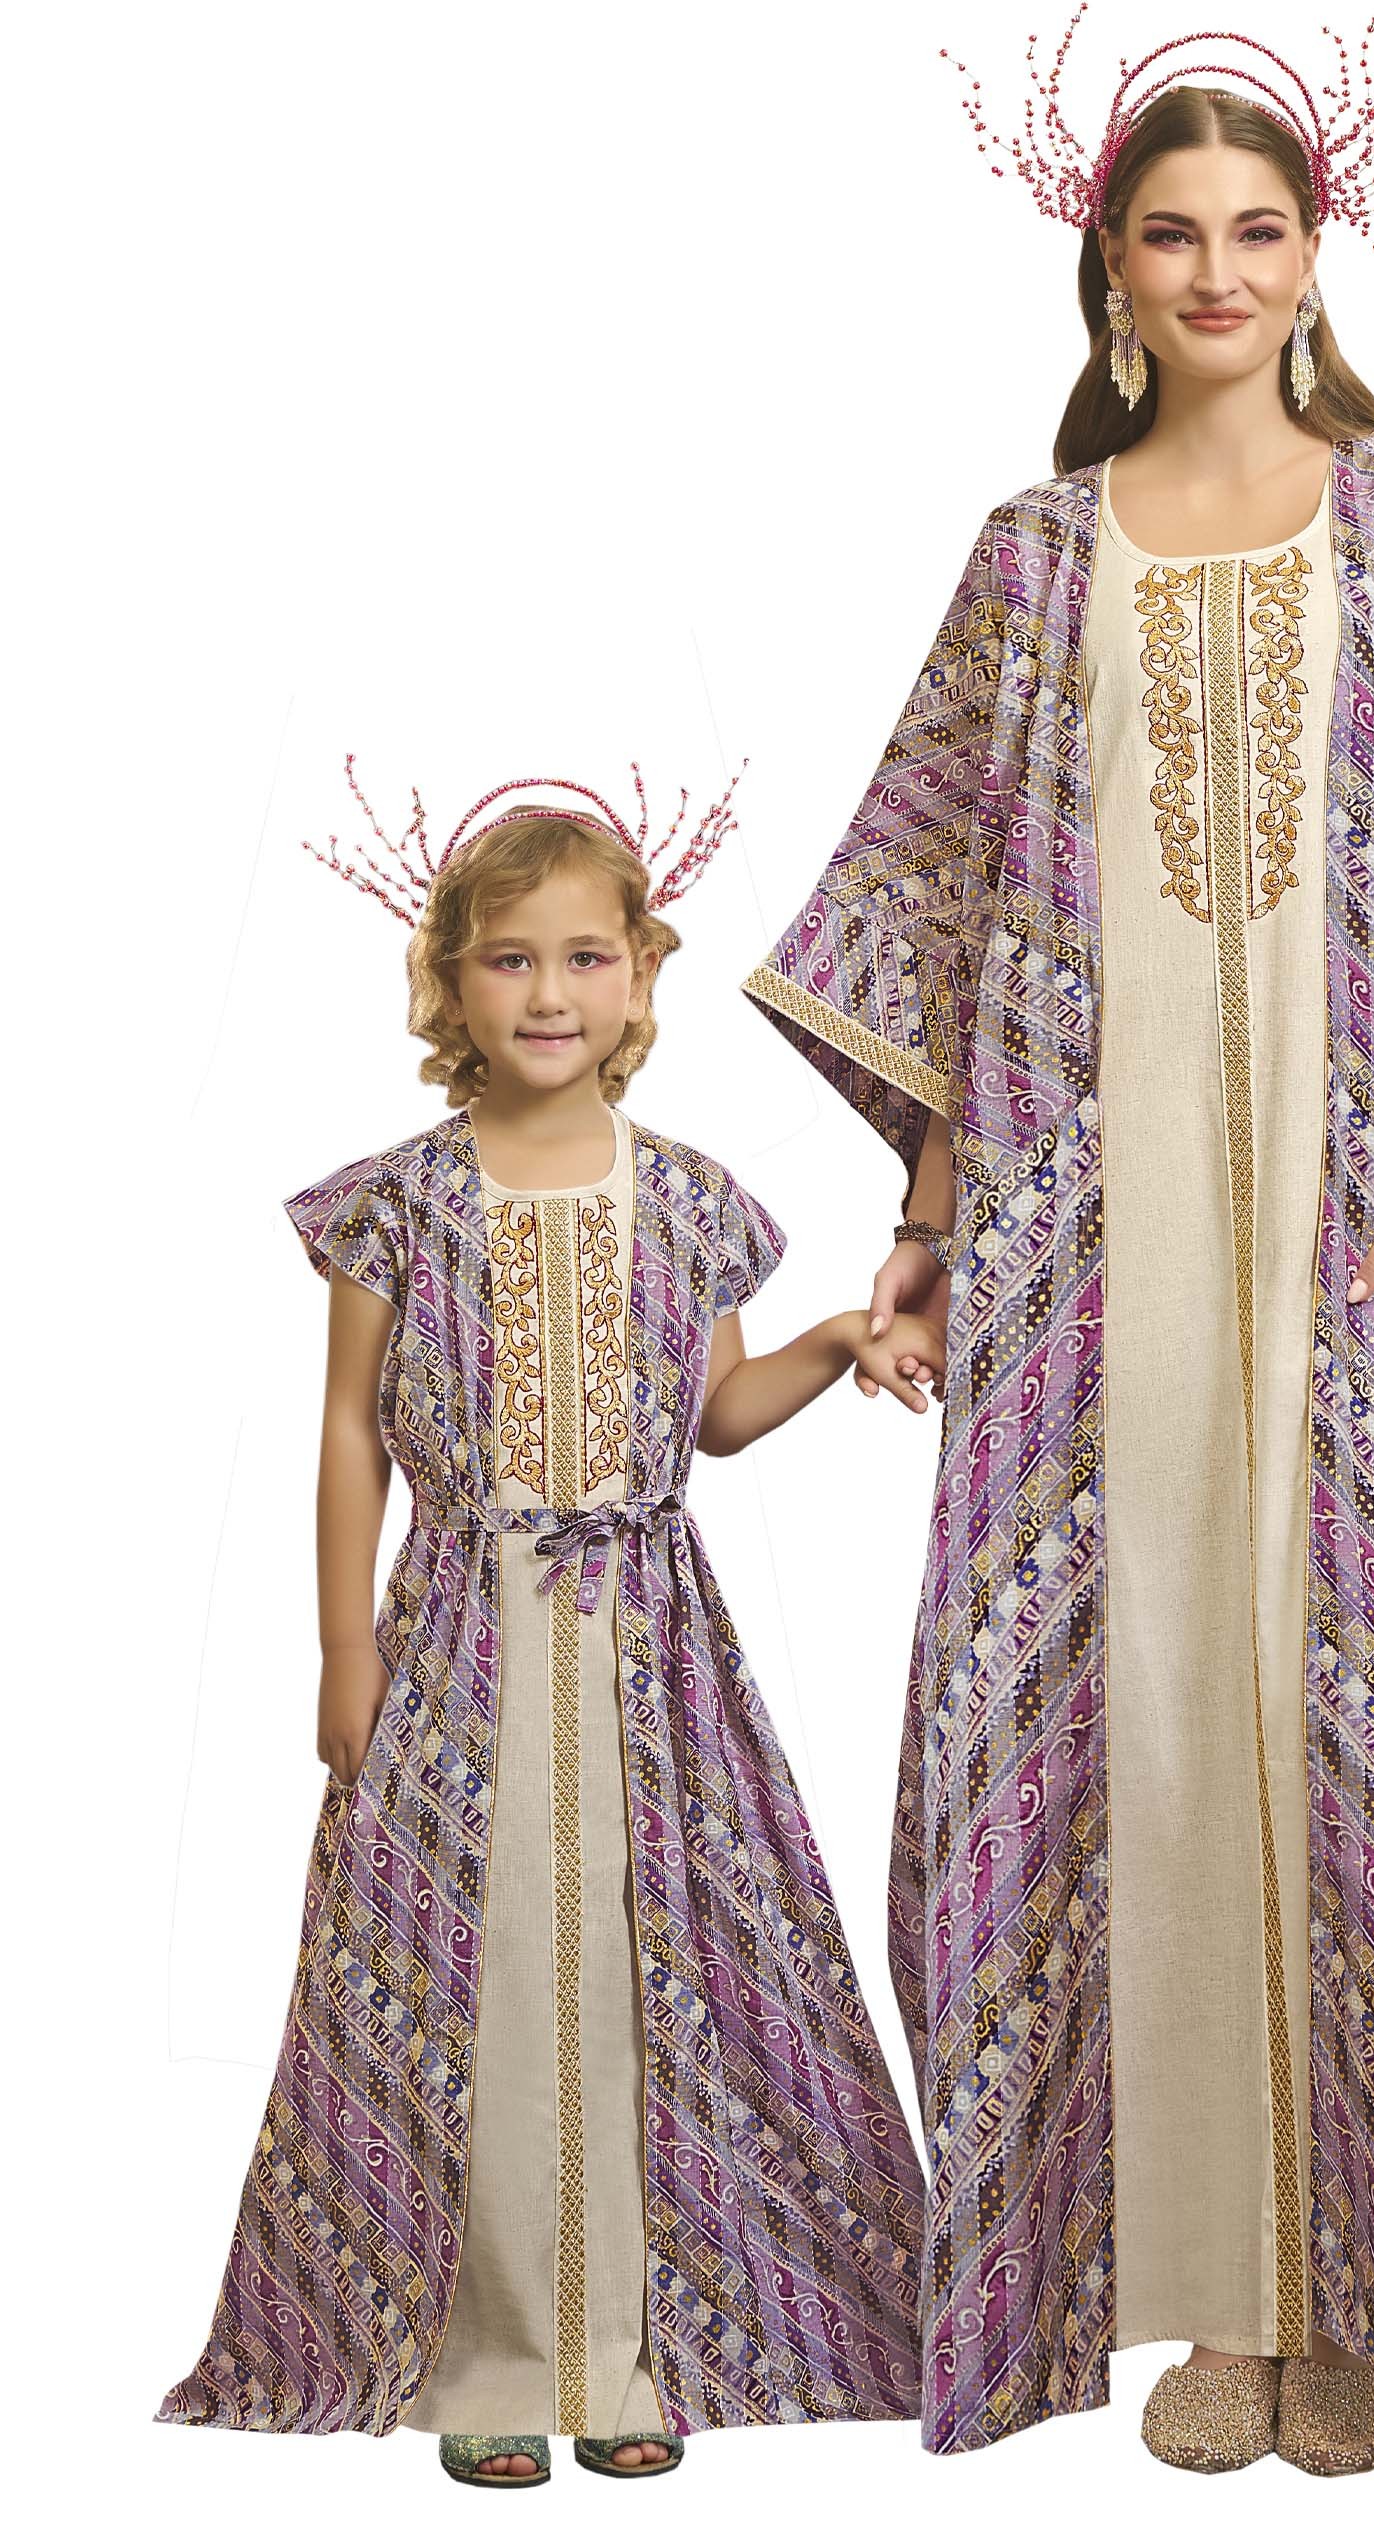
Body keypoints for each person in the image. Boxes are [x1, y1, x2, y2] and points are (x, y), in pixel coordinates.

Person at [743, 9, 1374, 2476]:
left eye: (1257, 230)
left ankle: (1348, 2280)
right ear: (1110, 264)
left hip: (1361, 1237)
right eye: (1171, 235)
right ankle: (1196, 2287)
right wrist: (926, 1215)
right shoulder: (1031, 557)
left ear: (1314, 248)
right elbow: (944, 904)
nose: (1217, 272)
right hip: (1089, 1261)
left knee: (1360, 1726)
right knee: (1134, 1716)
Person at [158, 759, 942, 2486]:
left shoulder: (693, 1201)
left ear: (644, 976)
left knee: (655, 1984)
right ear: (449, 980)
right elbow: (352, 1434)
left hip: (654, 1656)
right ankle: (493, 2356)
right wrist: (345, 1649)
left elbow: (712, 1419)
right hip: (461, 1646)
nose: (549, 994)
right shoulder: (395, 1204)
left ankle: (634, 2353)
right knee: (480, 1981)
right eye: (510, 959)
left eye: (587, 958)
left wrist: (837, 1342)